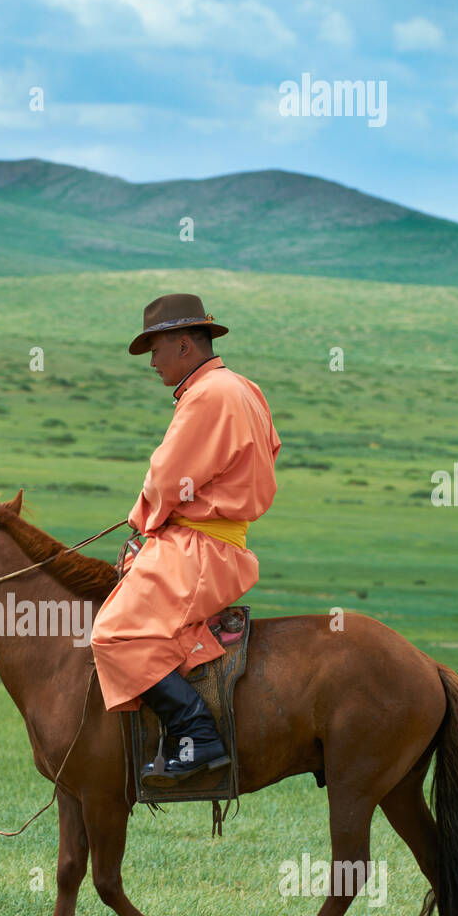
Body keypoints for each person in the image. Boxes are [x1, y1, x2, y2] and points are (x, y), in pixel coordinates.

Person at [91, 293, 281, 786]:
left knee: (112, 632)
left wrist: (143, 525)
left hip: (199, 549)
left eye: (155, 349)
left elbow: (167, 477)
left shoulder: (207, 395)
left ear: (183, 345)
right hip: (219, 542)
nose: (152, 362)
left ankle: (195, 733)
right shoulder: (244, 388)